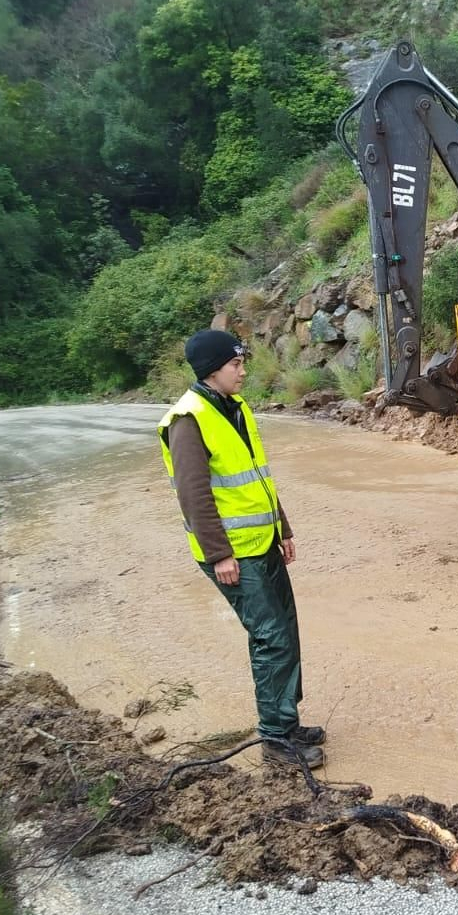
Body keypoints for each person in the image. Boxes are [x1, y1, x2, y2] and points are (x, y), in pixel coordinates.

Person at [157, 329, 325, 771]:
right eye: (236, 364)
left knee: (284, 631)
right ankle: (275, 740)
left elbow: (257, 478)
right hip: (233, 553)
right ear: (213, 369)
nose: (243, 370)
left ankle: (285, 722)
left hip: (262, 541)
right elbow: (193, 495)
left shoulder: (234, 408)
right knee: (270, 637)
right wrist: (219, 555)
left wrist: (283, 528)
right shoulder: (189, 419)